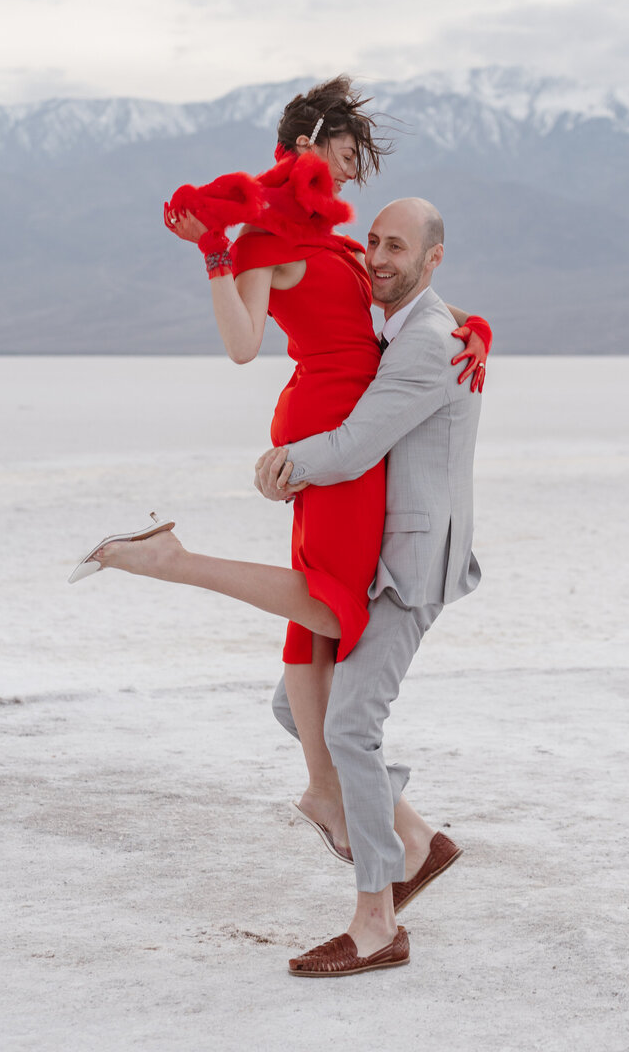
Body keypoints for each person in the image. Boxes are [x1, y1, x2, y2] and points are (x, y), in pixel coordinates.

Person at [150, 77, 490, 864]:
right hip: (328, 435)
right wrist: (213, 252)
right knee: (332, 604)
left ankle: (387, 823)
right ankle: (327, 790)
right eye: (341, 159)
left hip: (352, 428)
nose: (346, 177)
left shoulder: (340, 242)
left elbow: (400, 308)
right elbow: (242, 343)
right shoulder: (268, 244)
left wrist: (473, 325)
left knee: (324, 612)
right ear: (306, 148)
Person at [254, 196, 482, 976]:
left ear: (433, 258)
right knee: (300, 706)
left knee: (348, 726)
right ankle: (418, 841)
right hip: (370, 555)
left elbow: (356, 445)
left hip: (409, 567)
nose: (378, 258)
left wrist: (283, 465)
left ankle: (377, 921)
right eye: (373, 242)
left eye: (398, 247)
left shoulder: (427, 344)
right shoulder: (414, 325)